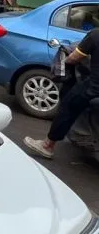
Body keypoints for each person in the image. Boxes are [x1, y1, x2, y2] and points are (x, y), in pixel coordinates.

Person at [25, 28, 99, 159]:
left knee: (68, 106)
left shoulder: (95, 35)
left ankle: (47, 146)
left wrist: (68, 59)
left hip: (93, 89)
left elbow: (73, 58)